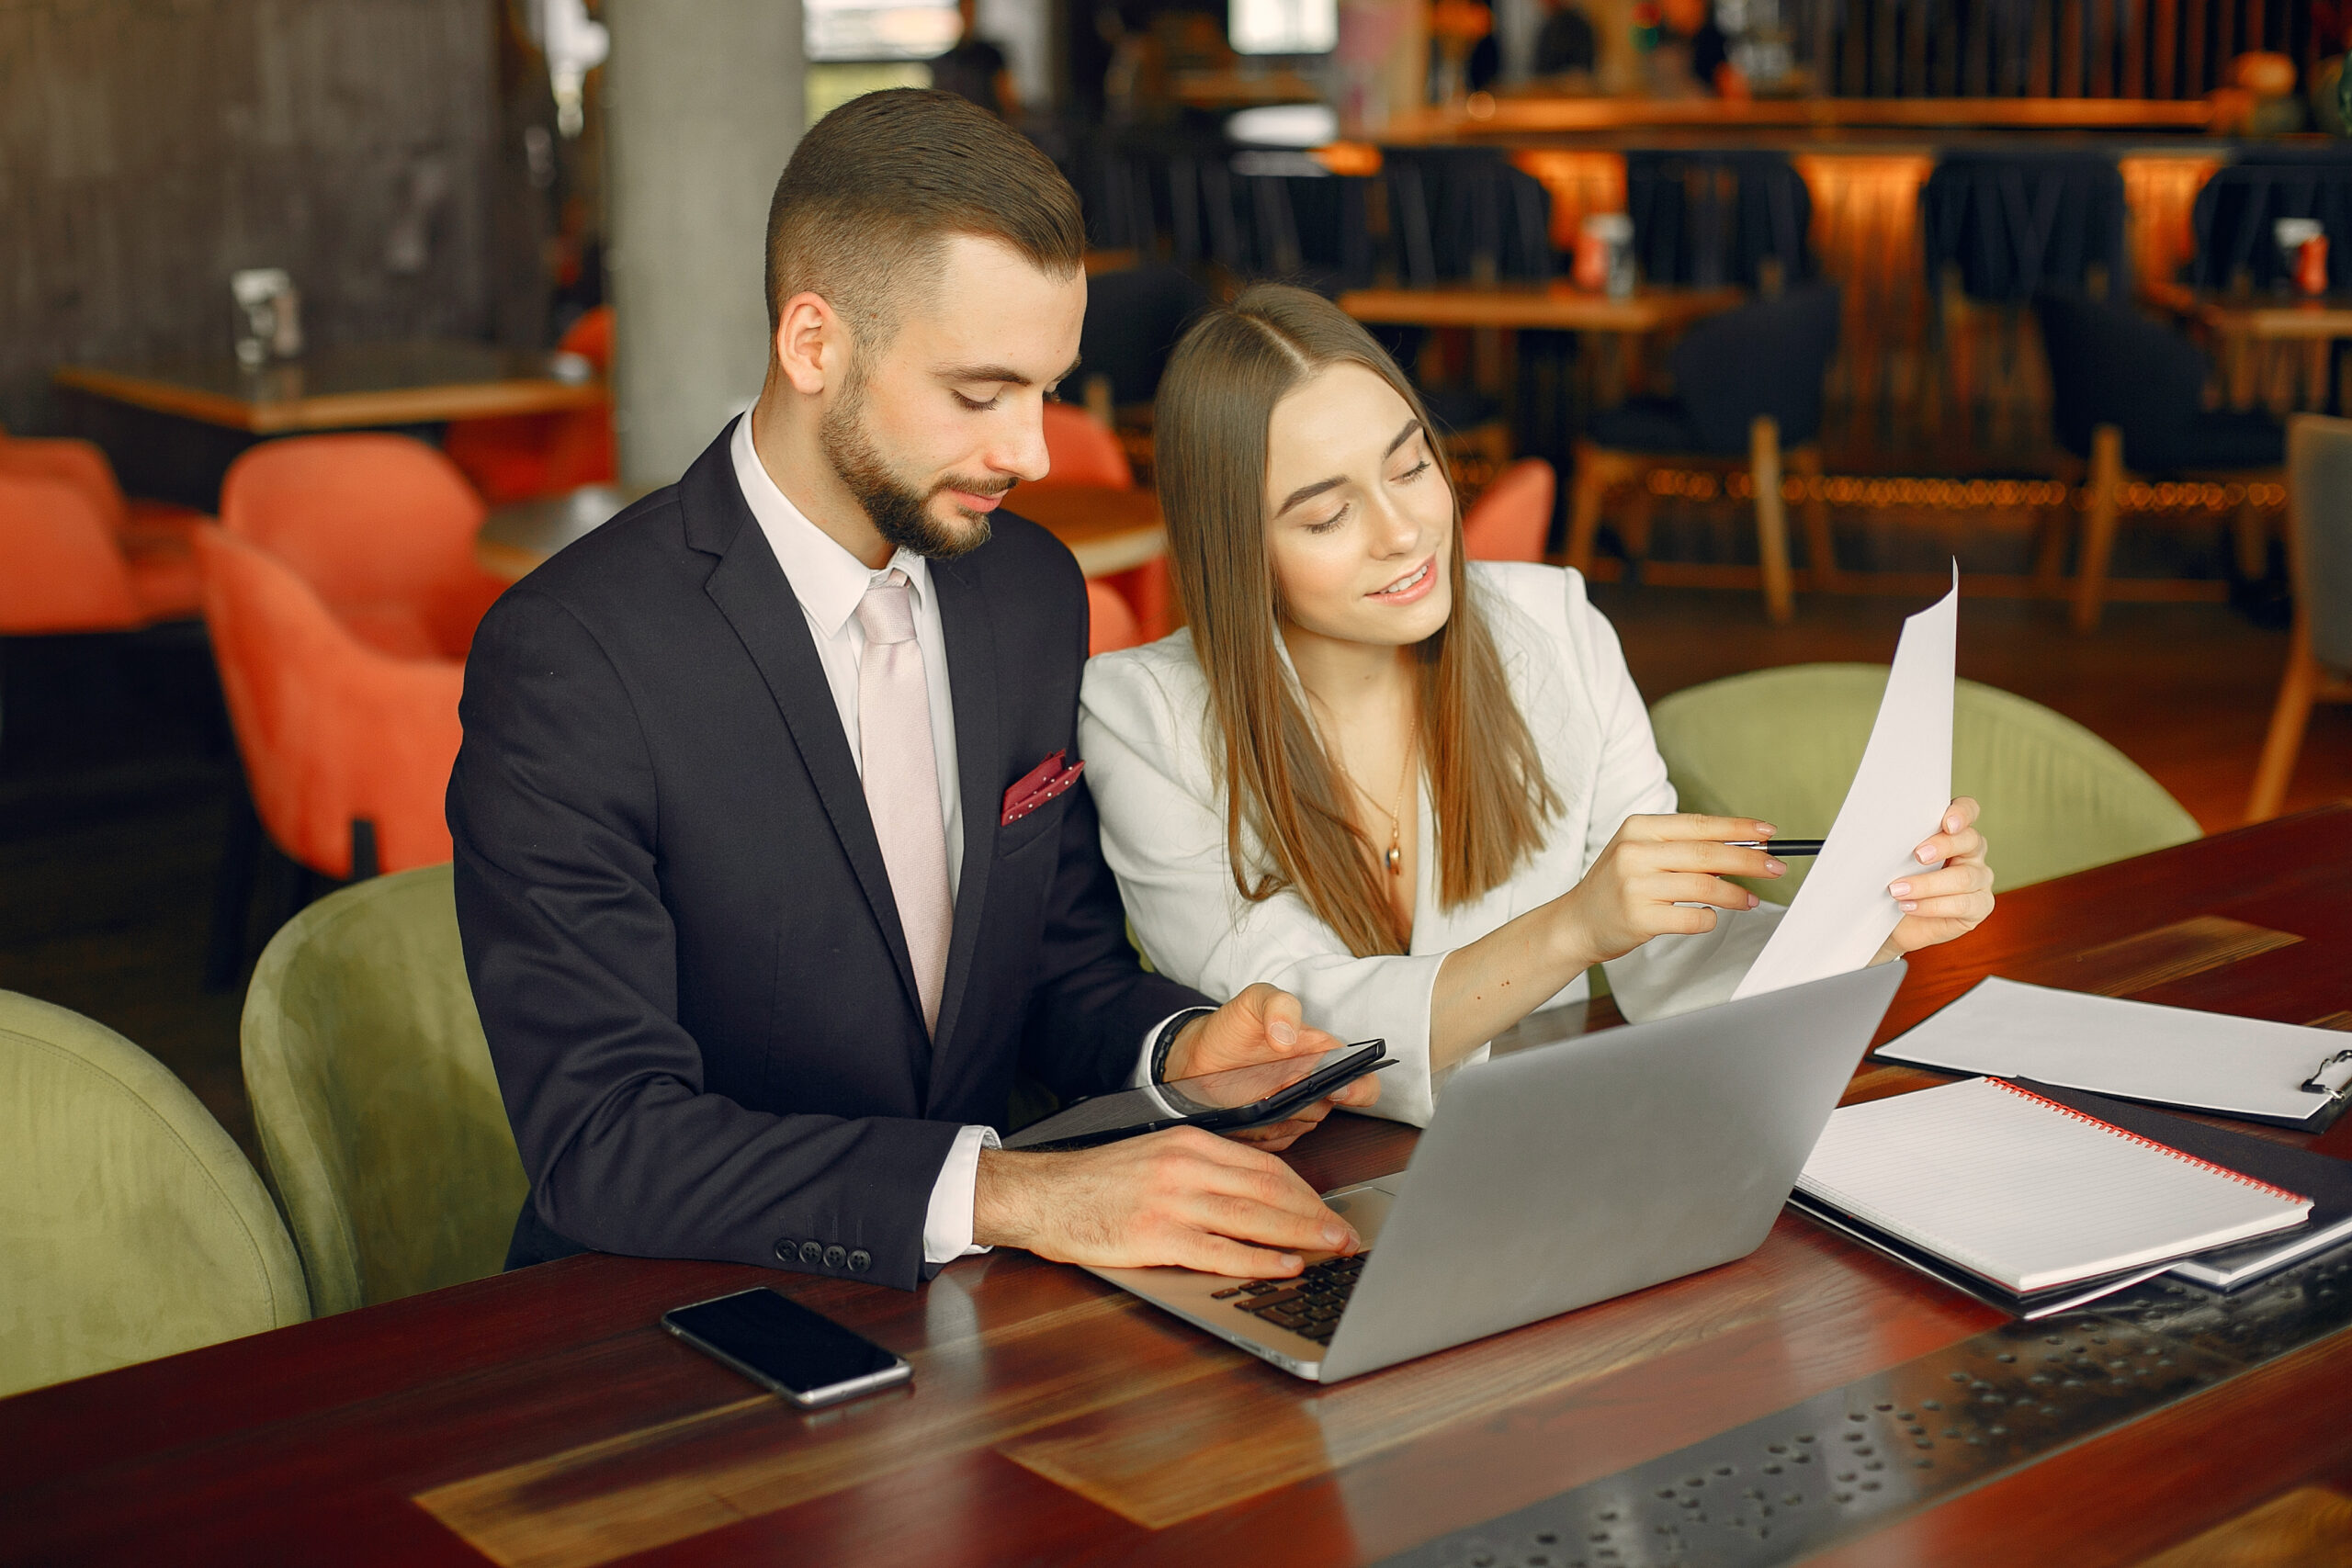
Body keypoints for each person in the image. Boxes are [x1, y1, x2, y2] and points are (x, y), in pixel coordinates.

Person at [449, 93, 1377, 1294]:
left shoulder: (1032, 588)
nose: (1033, 453)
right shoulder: (571, 652)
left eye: (1048, 390)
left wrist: (1182, 1051)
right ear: (813, 344)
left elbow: (1058, 971)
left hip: (982, 1313)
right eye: (981, 394)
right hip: (673, 1320)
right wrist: (1020, 1191)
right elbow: (606, 1139)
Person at [1078, 286, 1996, 1128]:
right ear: (1234, 546)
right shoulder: (1142, 718)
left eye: (1409, 469)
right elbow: (1290, 1033)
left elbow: (1670, 962)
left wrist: (1865, 927)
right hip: (1306, 1188)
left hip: (1540, 1146)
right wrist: (1573, 926)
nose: (1404, 532)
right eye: (1327, 516)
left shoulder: (1550, 625)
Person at [929, 0, 1020, 119]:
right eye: (965, 10)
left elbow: (1007, 97)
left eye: (971, 10)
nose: (968, 15)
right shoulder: (945, 61)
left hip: (988, 125)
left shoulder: (990, 55)